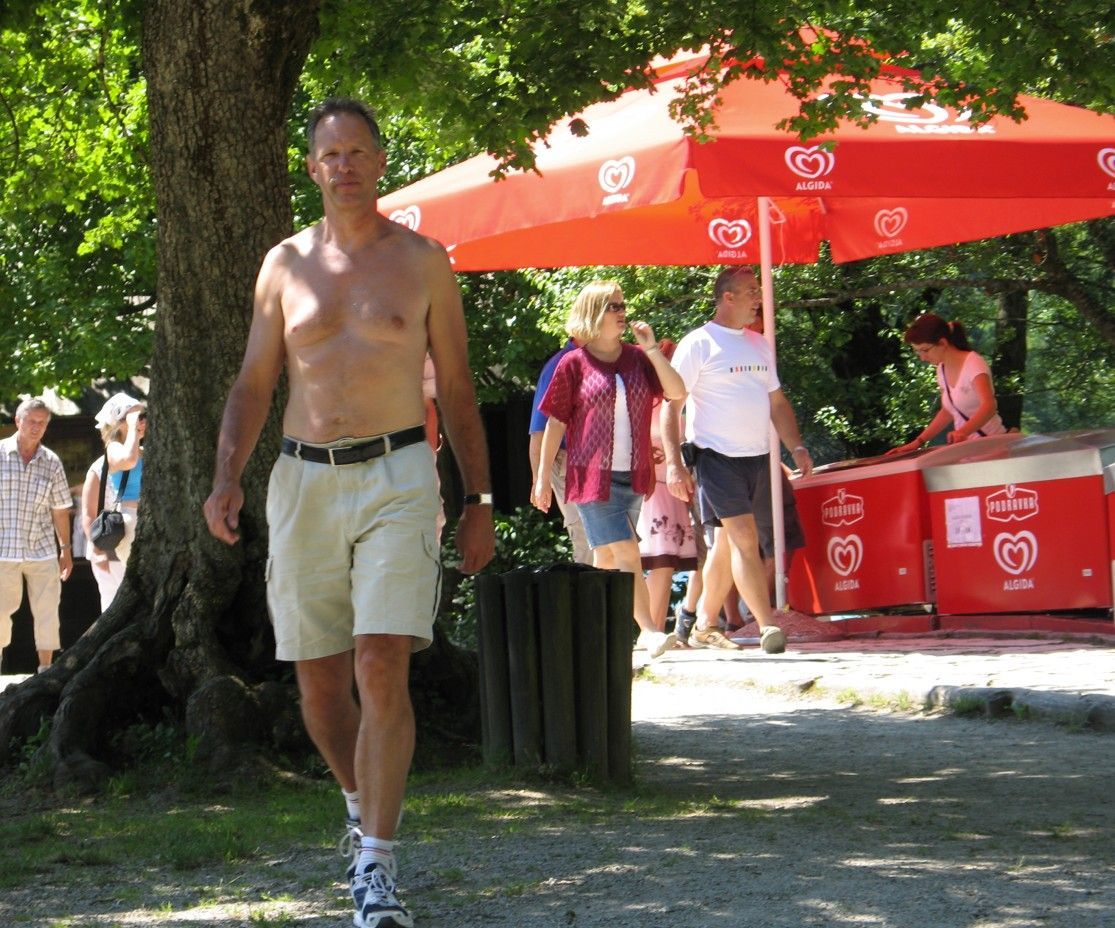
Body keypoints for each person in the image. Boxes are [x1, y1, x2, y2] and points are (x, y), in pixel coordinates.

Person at [203, 97, 495, 928]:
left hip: (399, 474)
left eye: (360, 152)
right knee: (320, 684)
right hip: (301, 481)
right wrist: (226, 477)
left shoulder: (423, 262)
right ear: (312, 167)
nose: (347, 166)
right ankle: (360, 804)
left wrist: (476, 502)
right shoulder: (282, 265)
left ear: (380, 161)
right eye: (331, 155)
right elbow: (253, 384)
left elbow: (463, 393)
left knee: (379, 660)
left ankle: (377, 865)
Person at [662, 266, 813, 654]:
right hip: (714, 457)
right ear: (727, 297)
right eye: (750, 291)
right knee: (746, 538)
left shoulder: (759, 345)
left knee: (726, 544)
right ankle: (767, 626)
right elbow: (672, 405)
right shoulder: (698, 343)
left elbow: (777, 402)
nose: (758, 297)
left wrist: (796, 447)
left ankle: (704, 623)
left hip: (758, 457)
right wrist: (676, 466)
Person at [531, 280, 686, 659]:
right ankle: (649, 630)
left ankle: (591, 636)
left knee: (605, 561)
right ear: (593, 314)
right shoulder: (572, 364)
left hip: (632, 477)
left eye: (622, 305)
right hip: (589, 479)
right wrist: (541, 477)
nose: (622, 312)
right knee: (628, 551)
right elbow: (554, 423)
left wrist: (652, 349)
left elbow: (677, 391)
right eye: (613, 306)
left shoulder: (636, 358)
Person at [0, 397, 73, 672]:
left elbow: (60, 509)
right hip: (3, 548)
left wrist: (65, 548)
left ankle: (45, 670)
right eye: (32, 421)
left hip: (40, 547)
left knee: (47, 611)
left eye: (42, 423)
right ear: (18, 421)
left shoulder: (51, 461)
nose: (36, 427)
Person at [636, 340, 697, 632]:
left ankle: (655, 629)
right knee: (661, 561)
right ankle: (652, 631)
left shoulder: (666, 401)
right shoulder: (652, 402)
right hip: (655, 488)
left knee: (666, 562)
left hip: (667, 486)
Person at [887, 312, 1006, 455]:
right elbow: (948, 411)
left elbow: (989, 406)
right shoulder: (941, 369)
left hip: (992, 448)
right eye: (918, 352)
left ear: (943, 343)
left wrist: (962, 432)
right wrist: (917, 443)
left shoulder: (974, 364)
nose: (923, 358)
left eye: (925, 350)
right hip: (968, 451)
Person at [528, 338, 592, 565]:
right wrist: (539, 479)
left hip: (608, 465)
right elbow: (539, 430)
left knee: (617, 547)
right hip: (569, 464)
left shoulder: (613, 358)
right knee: (587, 544)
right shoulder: (560, 364)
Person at [82, 393, 147, 609]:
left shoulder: (144, 452)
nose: (142, 421)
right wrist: (98, 551)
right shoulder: (115, 449)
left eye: (143, 416)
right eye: (137, 417)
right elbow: (128, 460)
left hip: (148, 521)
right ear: (119, 423)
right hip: (131, 520)